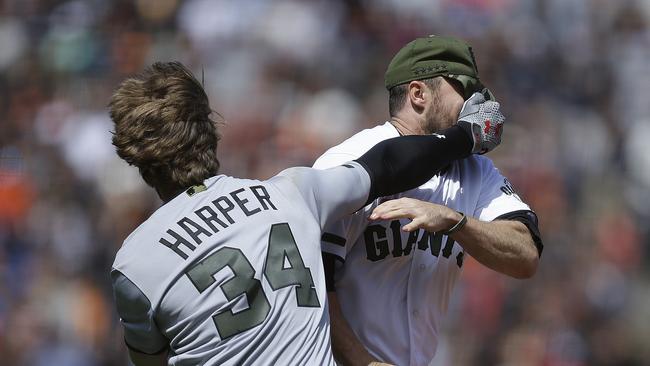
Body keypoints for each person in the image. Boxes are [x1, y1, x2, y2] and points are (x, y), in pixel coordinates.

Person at [108, 61, 505, 366]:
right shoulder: (291, 193)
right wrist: (464, 136)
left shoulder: (135, 263)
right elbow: (385, 164)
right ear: (211, 132)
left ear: (137, 160)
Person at [313, 36, 543, 366]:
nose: (475, 106)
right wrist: (363, 362)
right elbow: (312, 283)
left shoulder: (477, 171)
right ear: (419, 94)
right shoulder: (349, 161)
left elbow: (525, 255)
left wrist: (455, 221)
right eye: (464, 91)